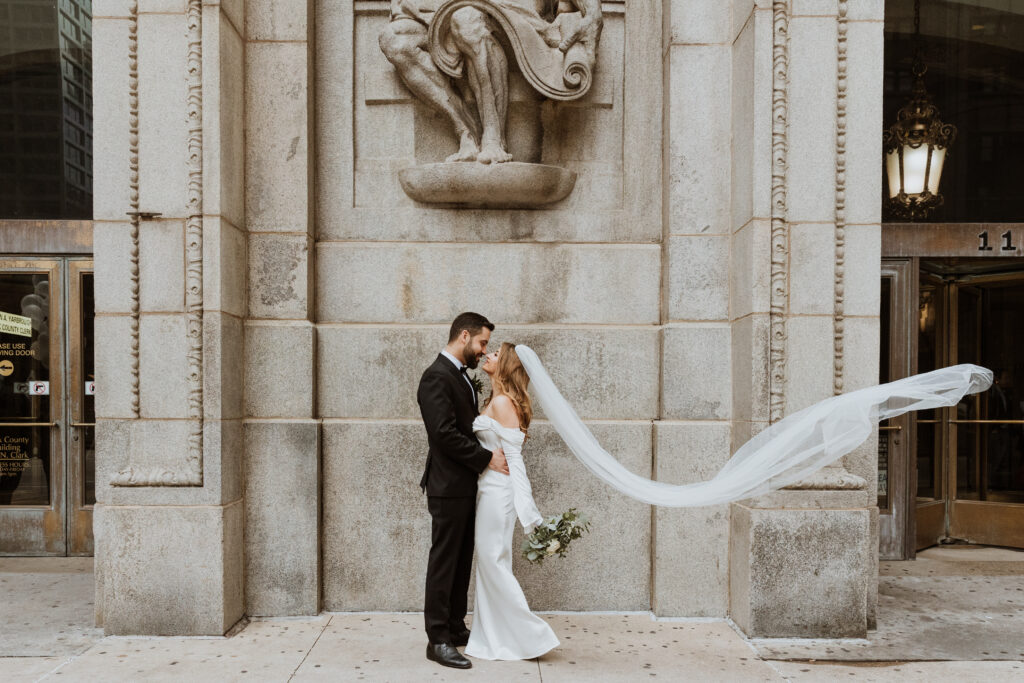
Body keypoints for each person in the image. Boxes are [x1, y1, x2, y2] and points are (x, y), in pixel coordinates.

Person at [417, 312, 509, 670]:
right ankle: (437, 639)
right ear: (465, 336)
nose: (483, 350)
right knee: (444, 562)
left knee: (460, 561)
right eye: (482, 343)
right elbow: (443, 434)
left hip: (466, 486)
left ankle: (455, 627)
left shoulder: (463, 378)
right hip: (447, 487)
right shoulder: (435, 377)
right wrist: (486, 458)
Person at [465, 342, 559, 660]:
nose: (488, 355)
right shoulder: (497, 399)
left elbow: (515, 462)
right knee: (493, 563)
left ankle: (533, 635)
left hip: (498, 494)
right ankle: (492, 636)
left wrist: (530, 514)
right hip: (488, 490)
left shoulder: (504, 403)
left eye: (495, 354)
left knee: (493, 562)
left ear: (504, 365)